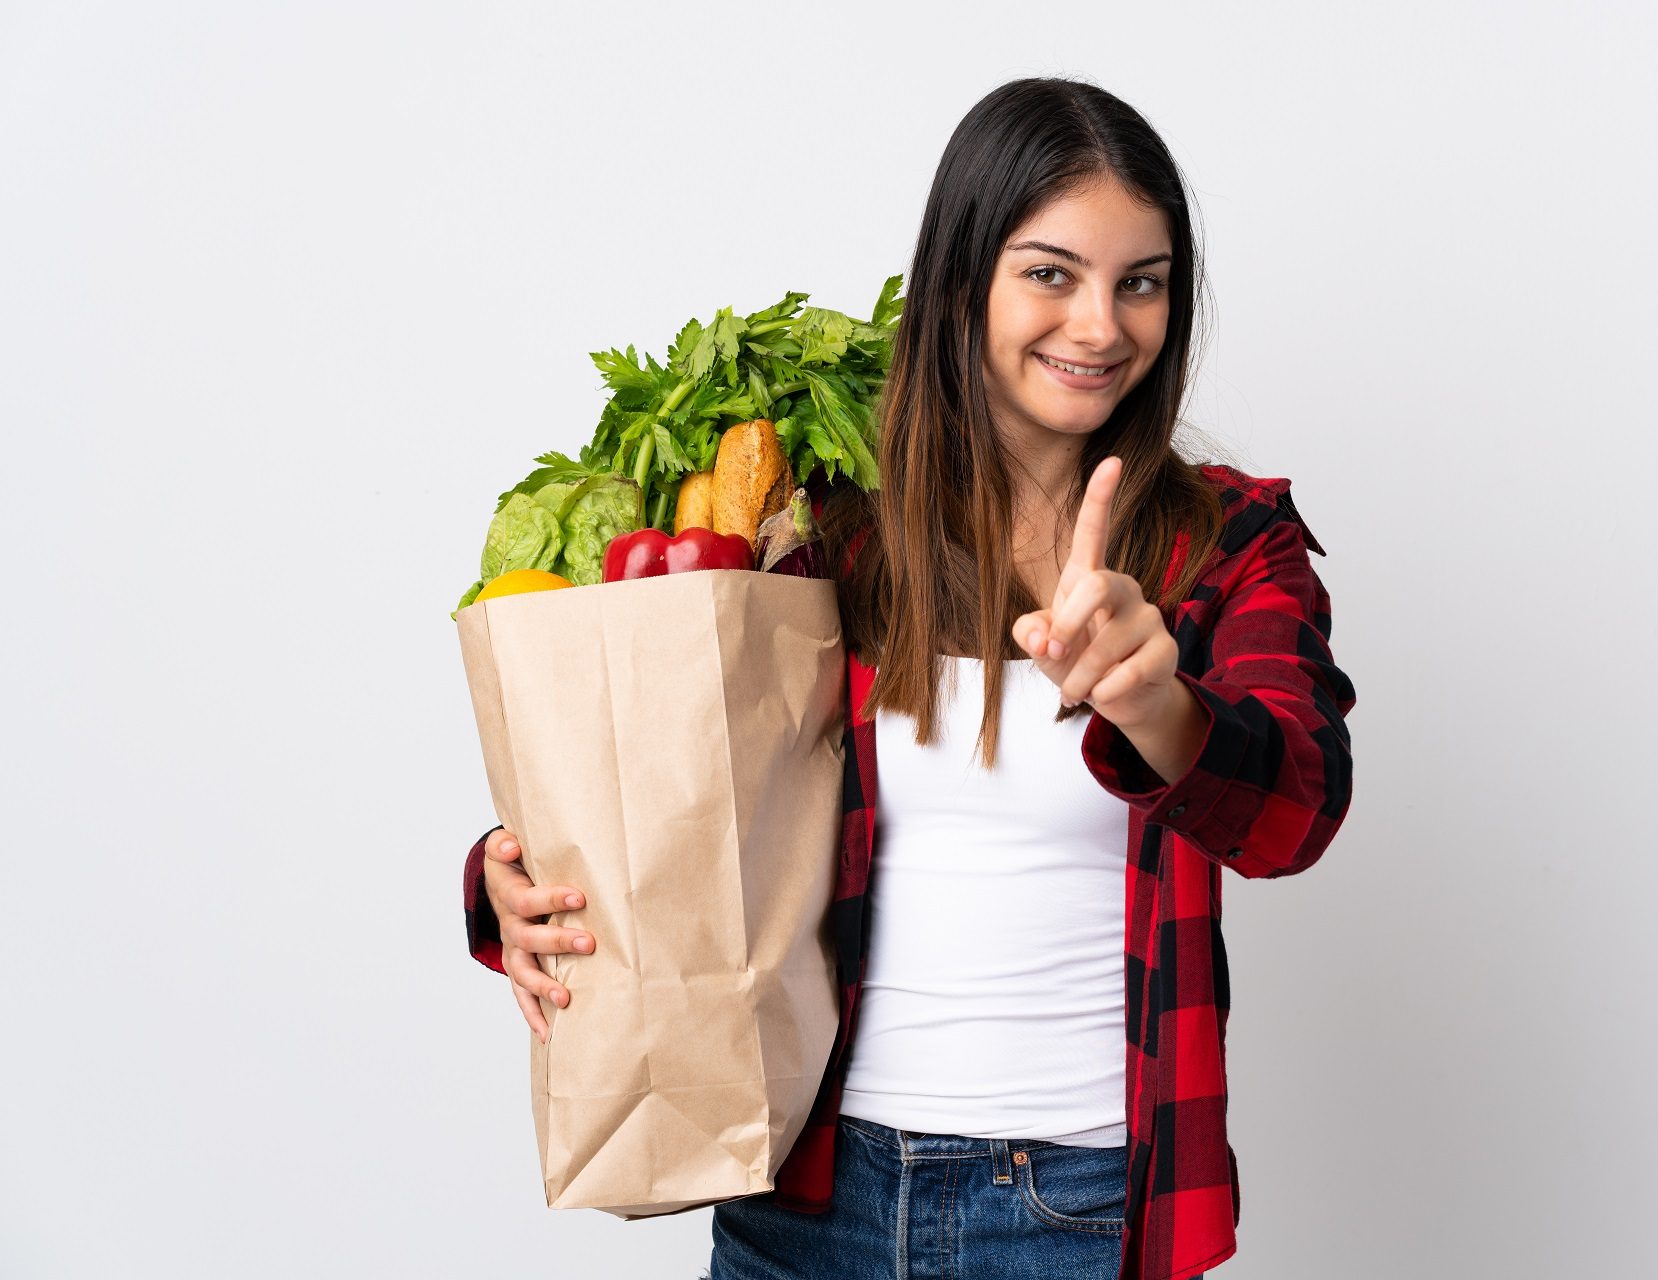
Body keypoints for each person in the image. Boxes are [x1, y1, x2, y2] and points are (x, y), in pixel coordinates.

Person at [460, 75, 1358, 1280]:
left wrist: (1154, 699)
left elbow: (1294, 808)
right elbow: (672, 783)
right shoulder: (820, 533)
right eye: (1052, 272)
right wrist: (505, 885)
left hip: (1074, 1208)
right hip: (806, 1195)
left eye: (1140, 282)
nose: (1101, 325)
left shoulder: (1232, 543)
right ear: (961, 278)